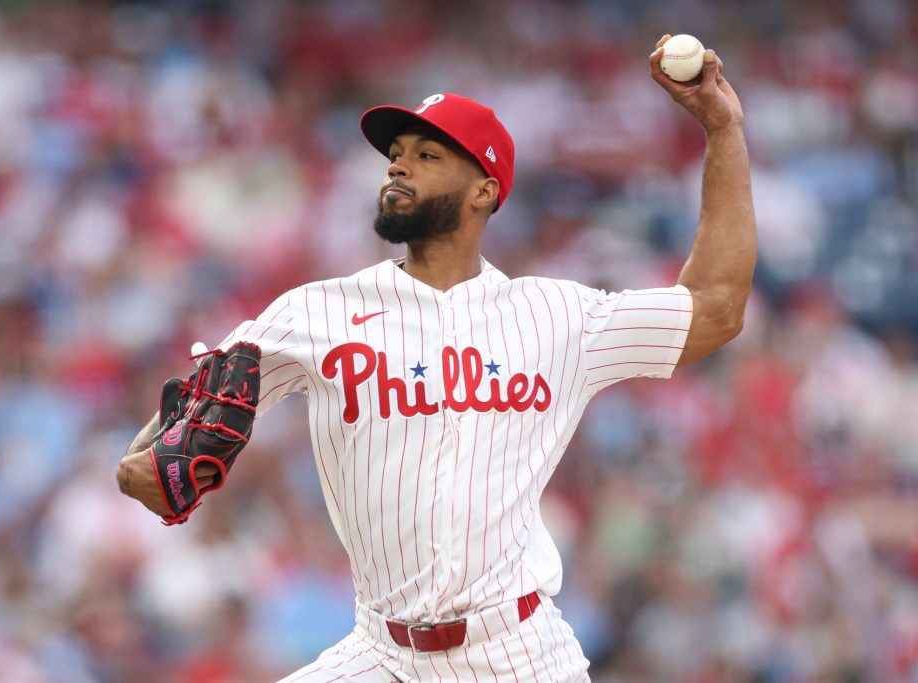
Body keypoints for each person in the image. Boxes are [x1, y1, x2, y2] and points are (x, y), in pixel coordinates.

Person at [117, 35, 756, 681]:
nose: (399, 167)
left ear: (484, 190)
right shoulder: (314, 312)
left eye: (427, 155)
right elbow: (166, 441)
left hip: (518, 653)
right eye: (396, 155)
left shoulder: (560, 315)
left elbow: (716, 306)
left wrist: (723, 129)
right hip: (382, 652)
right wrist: (146, 464)